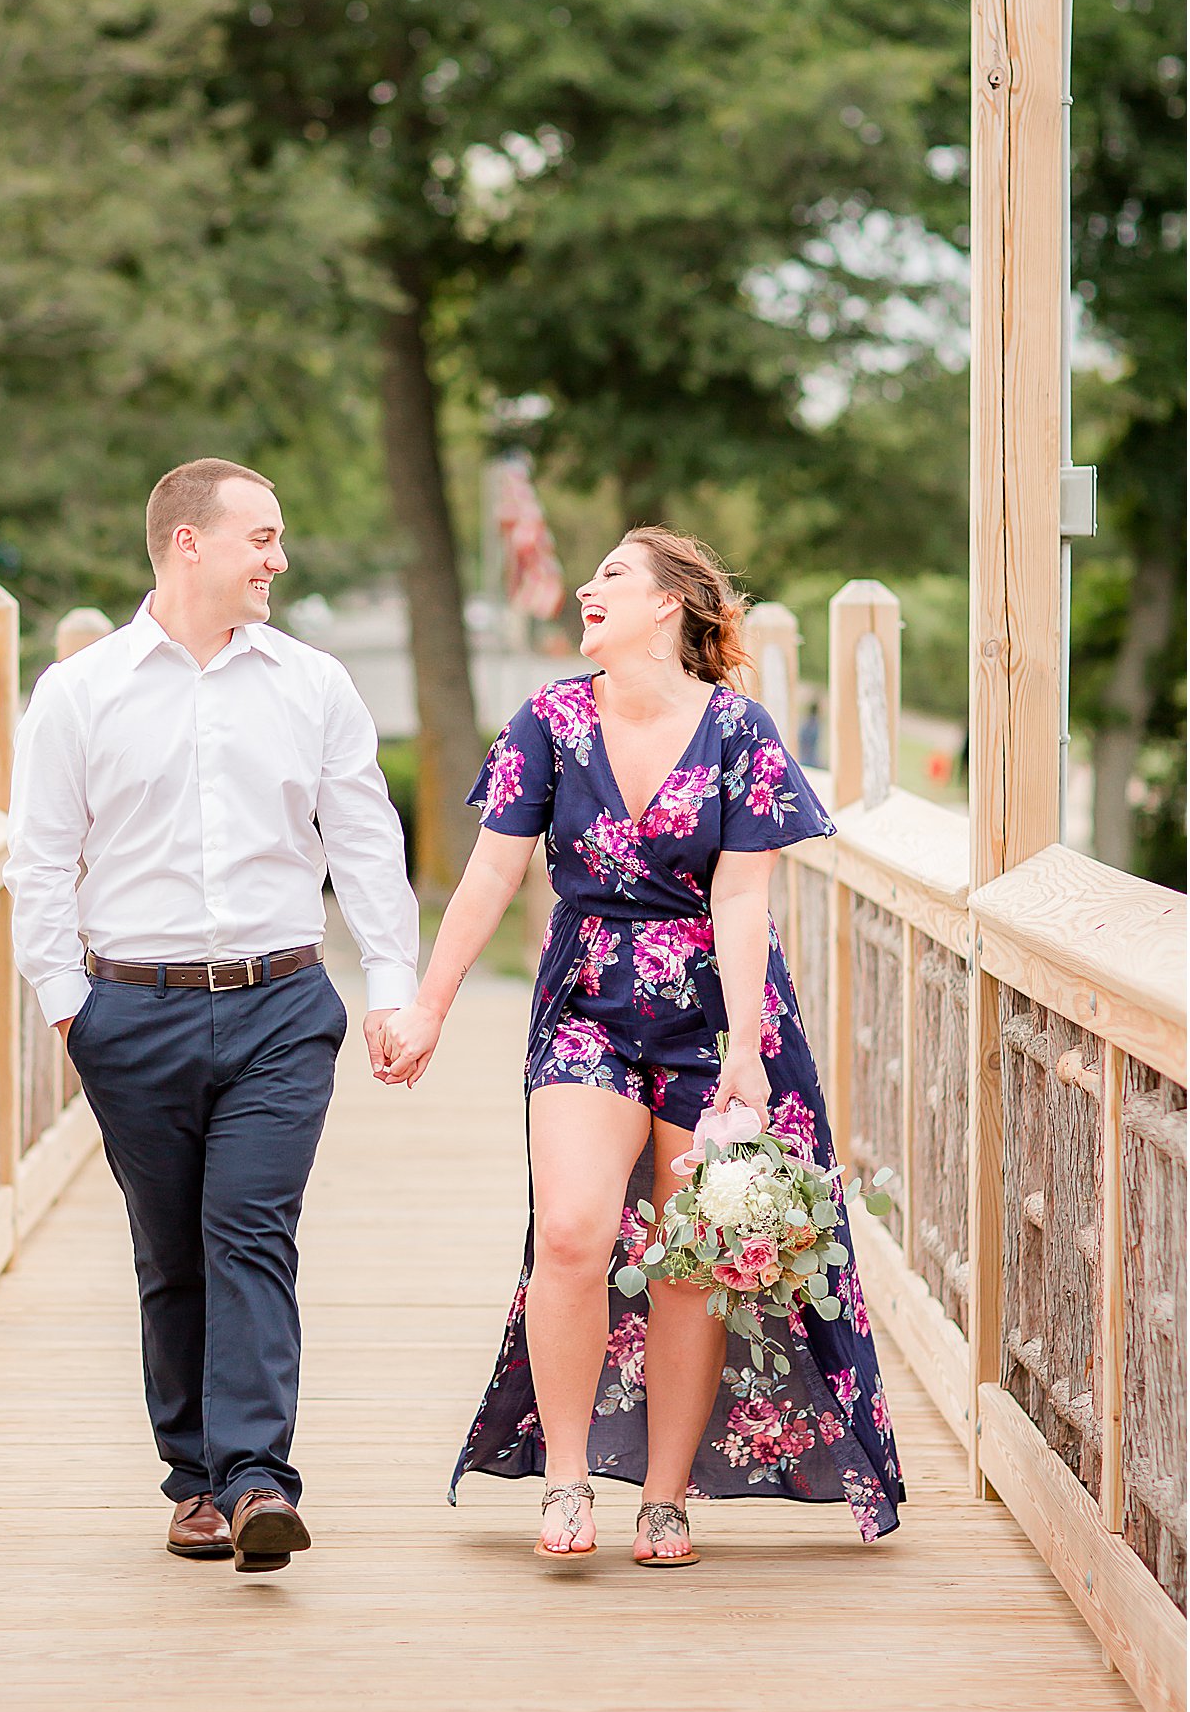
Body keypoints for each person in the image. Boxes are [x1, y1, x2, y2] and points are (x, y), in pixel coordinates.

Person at [380, 527, 904, 1564]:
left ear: (668, 605)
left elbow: (743, 896)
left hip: (714, 1016)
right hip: (584, 999)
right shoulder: (549, 721)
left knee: (686, 1261)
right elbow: (489, 876)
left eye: (612, 574)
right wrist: (428, 1006)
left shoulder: (737, 730)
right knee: (572, 1230)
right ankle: (566, 1476)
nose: (588, 587)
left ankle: (663, 1497)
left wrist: (748, 1053)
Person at [5, 459, 419, 1573]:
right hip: (126, 1012)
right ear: (190, 543)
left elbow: (365, 839)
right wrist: (67, 1011)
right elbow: (38, 863)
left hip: (281, 1002)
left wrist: (391, 985)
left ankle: (252, 1483)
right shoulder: (80, 693)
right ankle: (192, 1478)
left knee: (247, 1229)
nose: (278, 559)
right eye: (262, 538)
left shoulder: (312, 684)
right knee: (170, 1250)